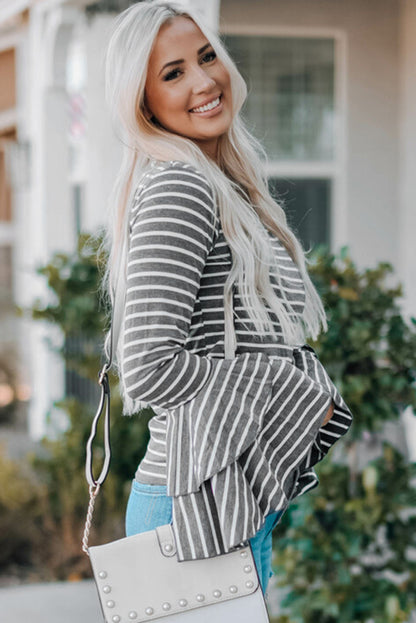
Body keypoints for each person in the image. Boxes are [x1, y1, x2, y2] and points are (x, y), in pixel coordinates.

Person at [103, 0, 352, 597]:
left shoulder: (223, 184)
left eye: (206, 57)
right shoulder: (181, 185)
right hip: (192, 514)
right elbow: (148, 366)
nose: (204, 81)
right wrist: (294, 391)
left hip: (225, 504)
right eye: (173, 74)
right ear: (144, 104)